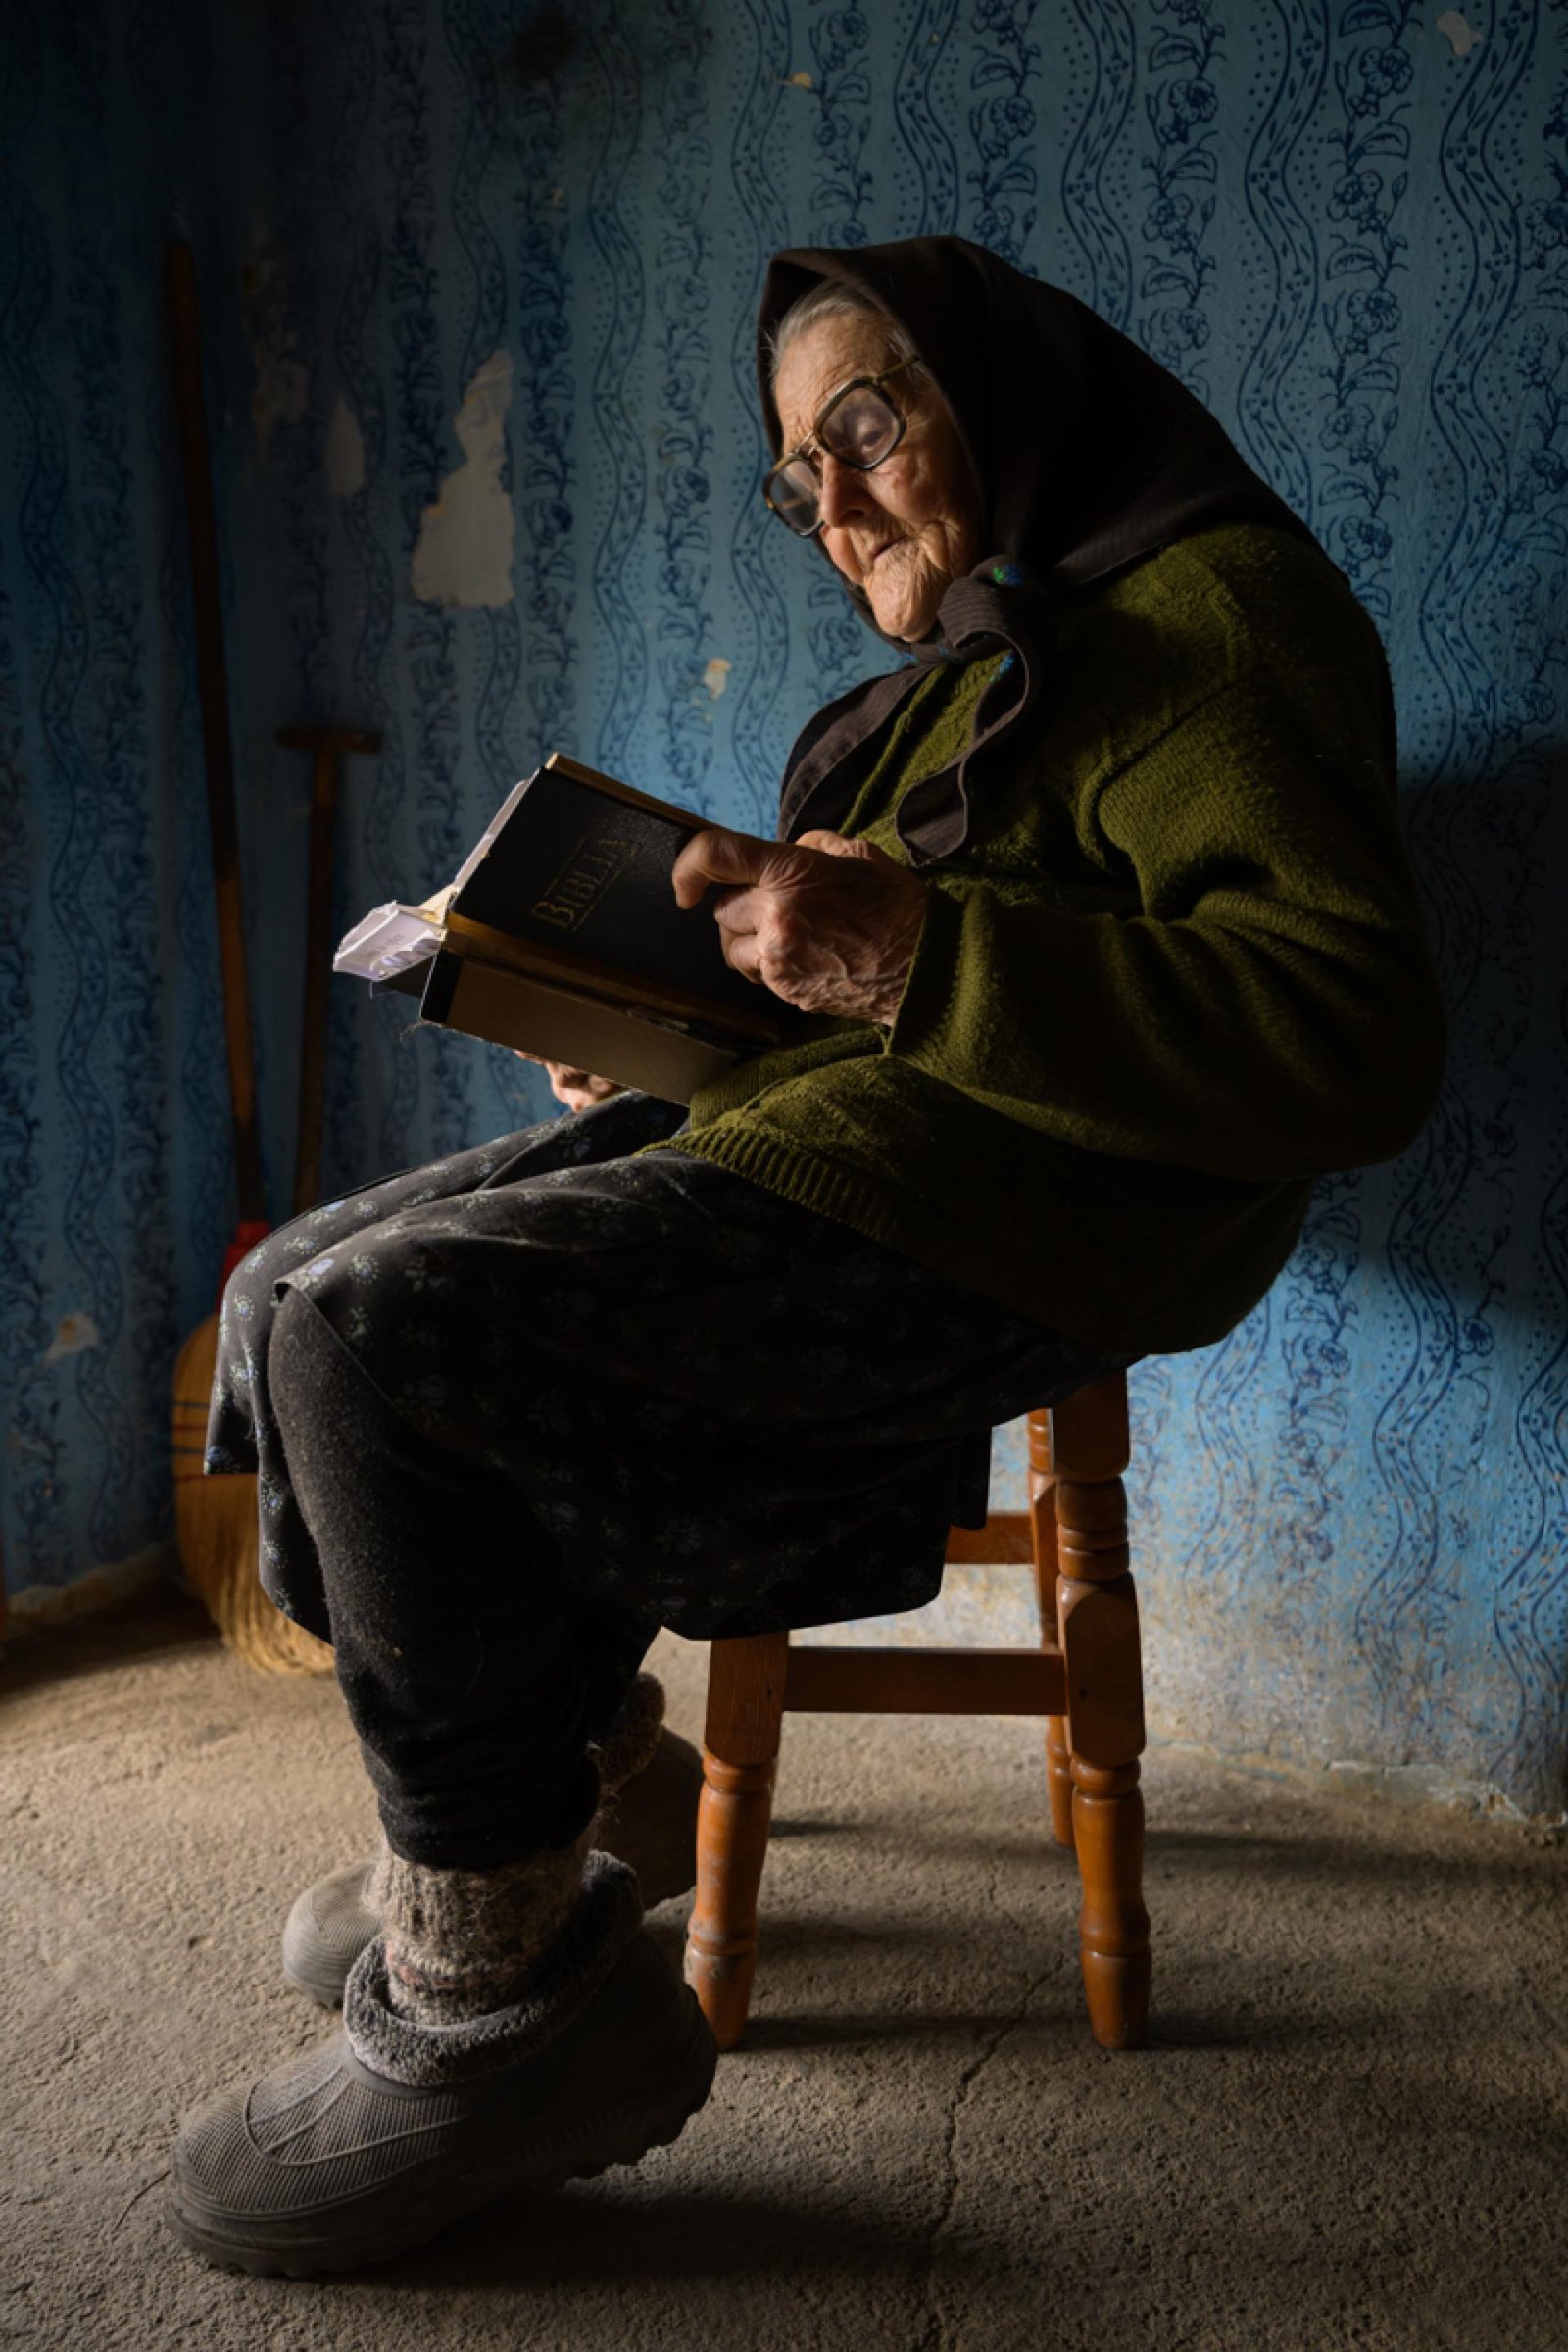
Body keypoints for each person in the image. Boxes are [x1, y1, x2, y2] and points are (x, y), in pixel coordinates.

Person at [172, 236, 1445, 2275]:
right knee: (280, 1292)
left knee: (371, 1340)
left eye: (866, 425)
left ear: (1005, 393)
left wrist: (915, 955)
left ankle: (505, 2014)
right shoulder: (976, 661)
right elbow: (892, 984)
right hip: (866, 1124)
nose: (833, 502)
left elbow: (1348, 1042)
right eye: (797, 472)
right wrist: (669, 1013)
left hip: (1047, 1203)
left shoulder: (1223, 616)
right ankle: (556, 1813)